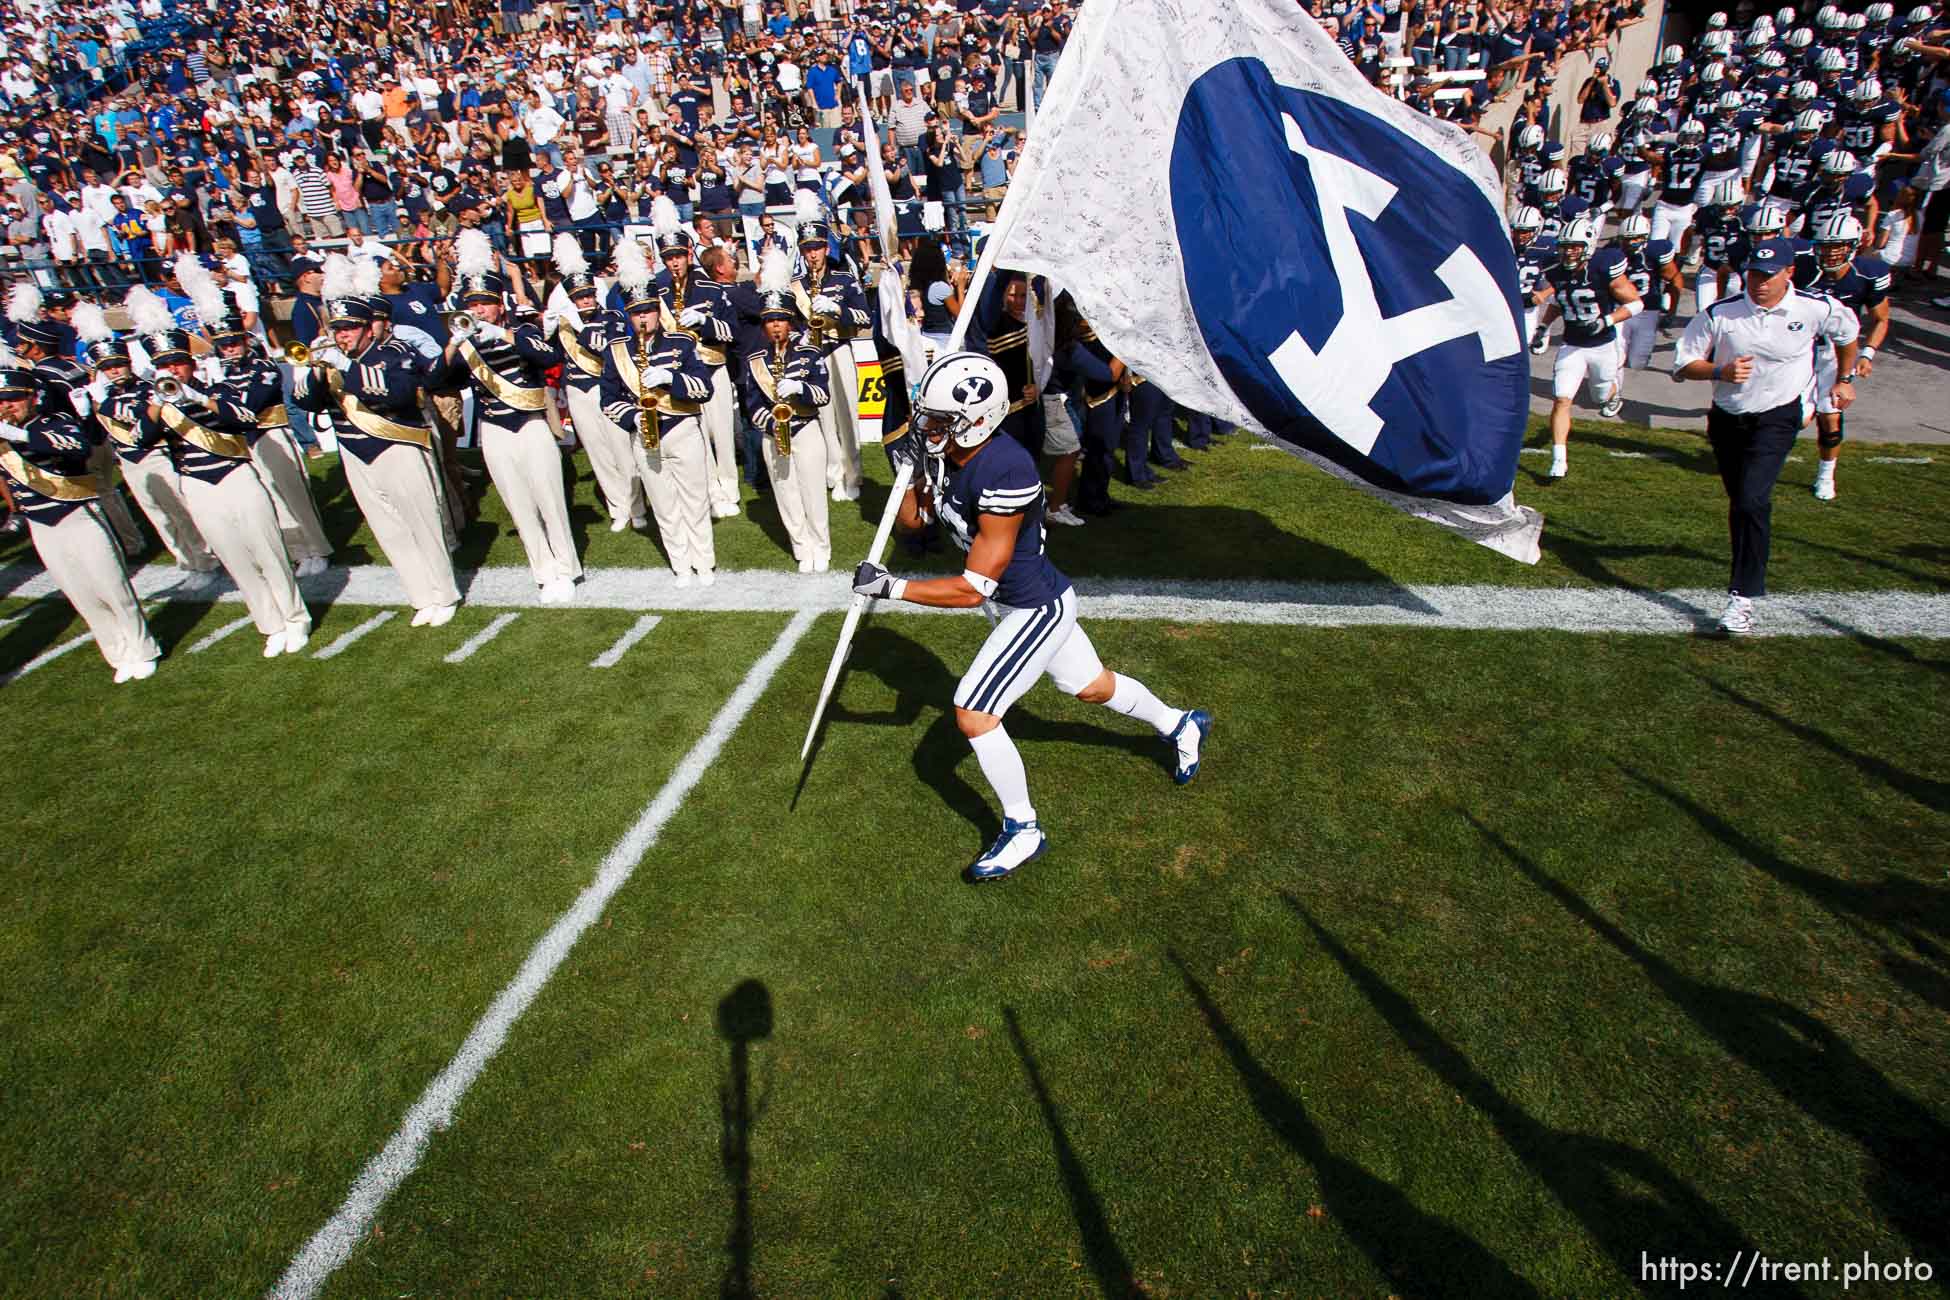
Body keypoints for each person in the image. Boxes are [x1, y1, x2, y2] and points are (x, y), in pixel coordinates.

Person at [851, 351, 1208, 883]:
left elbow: (974, 588)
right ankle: (1180, 723)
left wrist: (893, 588)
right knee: (1092, 686)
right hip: (1020, 600)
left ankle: (1023, 829)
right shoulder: (949, 451)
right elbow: (916, 523)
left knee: (973, 712)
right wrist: (906, 473)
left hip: (1031, 608)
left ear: (975, 421)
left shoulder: (1007, 467)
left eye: (938, 420)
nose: (928, 428)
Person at [1673, 238, 1860, 637]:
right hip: (1728, 418)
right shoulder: (1721, 314)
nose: (1759, 283)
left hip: (1779, 415)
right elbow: (1684, 363)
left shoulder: (1814, 308)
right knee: (1740, 501)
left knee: (1752, 500)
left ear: (1789, 272)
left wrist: (1844, 379)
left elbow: (1848, 335)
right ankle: (1745, 576)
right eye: (1754, 274)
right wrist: (1719, 371)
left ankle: (1742, 598)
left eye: (1768, 275)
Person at [134, 328, 312, 658]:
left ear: (190, 363)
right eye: (165, 366)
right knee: (236, 558)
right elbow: (139, 439)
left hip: (236, 476)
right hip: (197, 485)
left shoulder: (219, 387)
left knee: (267, 549)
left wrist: (197, 398)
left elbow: (244, 418)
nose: (172, 371)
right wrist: (158, 404)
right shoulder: (155, 404)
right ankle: (270, 624)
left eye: (177, 363)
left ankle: (295, 617)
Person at [290, 294, 461, 627]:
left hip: (397, 445)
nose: (343, 336)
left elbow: (398, 392)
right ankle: (421, 597)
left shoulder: (395, 353)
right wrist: (312, 372)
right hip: (355, 453)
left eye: (350, 328)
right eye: (338, 329)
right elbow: (307, 402)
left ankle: (445, 593)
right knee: (389, 530)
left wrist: (347, 369)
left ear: (368, 328)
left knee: (422, 524)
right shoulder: (330, 360)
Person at [435, 248, 581, 604]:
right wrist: (454, 346)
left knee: (549, 498)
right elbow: (438, 380)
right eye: (472, 303)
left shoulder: (520, 329)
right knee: (518, 504)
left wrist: (499, 334)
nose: (477, 310)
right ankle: (543, 571)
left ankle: (566, 568)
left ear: (499, 305)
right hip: (494, 429)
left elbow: (549, 357)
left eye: (484, 303)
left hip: (531, 424)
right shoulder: (467, 346)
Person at [0, 365, 161, 684]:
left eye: (14, 399)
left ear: (32, 398)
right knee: (81, 594)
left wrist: (17, 435)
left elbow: (77, 446)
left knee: (112, 586)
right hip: (41, 525)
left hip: (77, 516)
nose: (7, 406)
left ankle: (143, 649)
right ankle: (117, 652)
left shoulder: (53, 421)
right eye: (1, 401)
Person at [600, 250, 718, 585]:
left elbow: (704, 390)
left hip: (682, 429)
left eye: (649, 310)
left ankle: (704, 562)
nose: (643, 318)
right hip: (644, 435)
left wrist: (671, 379)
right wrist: (632, 418)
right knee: (664, 506)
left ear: (657, 311)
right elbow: (607, 399)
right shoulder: (618, 350)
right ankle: (681, 565)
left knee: (695, 500)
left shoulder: (680, 343)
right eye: (637, 312)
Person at [1531, 215, 1643, 478]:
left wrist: (1606, 320)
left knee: (1601, 396)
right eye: (1565, 246)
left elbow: (1636, 303)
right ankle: (1559, 459)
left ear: (1588, 246)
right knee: (1561, 398)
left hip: (1602, 345)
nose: (1568, 251)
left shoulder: (1602, 268)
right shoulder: (1556, 270)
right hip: (1572, 346)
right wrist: (1543, 329)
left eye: (1574, 246)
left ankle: (1614, 393)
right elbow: (1559, 303)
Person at [736, 274, 832, 572]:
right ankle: (801, 547)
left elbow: (823, 394)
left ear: (791, 322)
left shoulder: (809, 353)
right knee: (786, 494)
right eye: (769, 320)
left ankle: (821, 545)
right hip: (773, 434)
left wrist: (801, 389)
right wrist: (771, 424)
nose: (775, 325)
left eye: (780, 319)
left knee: (813, 492)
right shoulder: (755, 359)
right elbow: (751, 401)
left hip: (806, 429)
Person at [1801, 212, 1891, 503]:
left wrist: (1867, 354)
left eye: (1837, 246)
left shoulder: (1867, 274)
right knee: (1797, 418)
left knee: (1830, 419)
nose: (1829, 253)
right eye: (1826, 246)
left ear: (1853, 247)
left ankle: (1826, 476)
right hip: (1798, 350)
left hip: (1835, 354)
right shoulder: (1802, 268)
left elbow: (1881, 319)